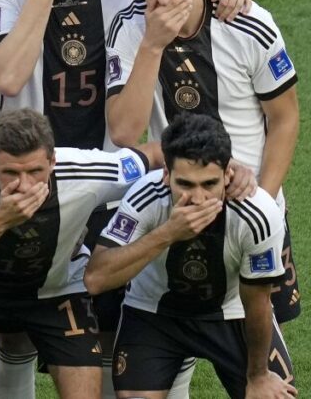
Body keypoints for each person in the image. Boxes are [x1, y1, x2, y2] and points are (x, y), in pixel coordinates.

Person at [0, 0, 249, 396]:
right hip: (31, 174)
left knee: (120, 319)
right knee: (15, 332)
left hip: (115, 173)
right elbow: (8, 76)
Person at [104, 0, 300, 330]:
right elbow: (124, 132)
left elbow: (284, 119)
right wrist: (153, 44)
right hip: (172, 210)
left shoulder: (247, 23)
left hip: (250, 206)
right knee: (171, 344)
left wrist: (263, 202)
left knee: (258, 352)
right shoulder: (129, 29)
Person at [0, 109, 163, 399]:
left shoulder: (88, 171)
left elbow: (155, 154)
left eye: (35, 171)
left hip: (56, 291)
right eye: (11, 173)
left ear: (52, 161)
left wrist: (227, 169)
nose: (25, 184)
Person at [85, 114, 296, 398]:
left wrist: (257, 376)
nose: (198, 198)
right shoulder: (145, 197)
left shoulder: (257, 213)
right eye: (185, 184)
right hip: (154, 312)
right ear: (166, 175)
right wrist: (168, 233)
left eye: (209, 184)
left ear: (227, 174)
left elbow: (258, 302)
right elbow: (96, 278)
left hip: (231, 312)